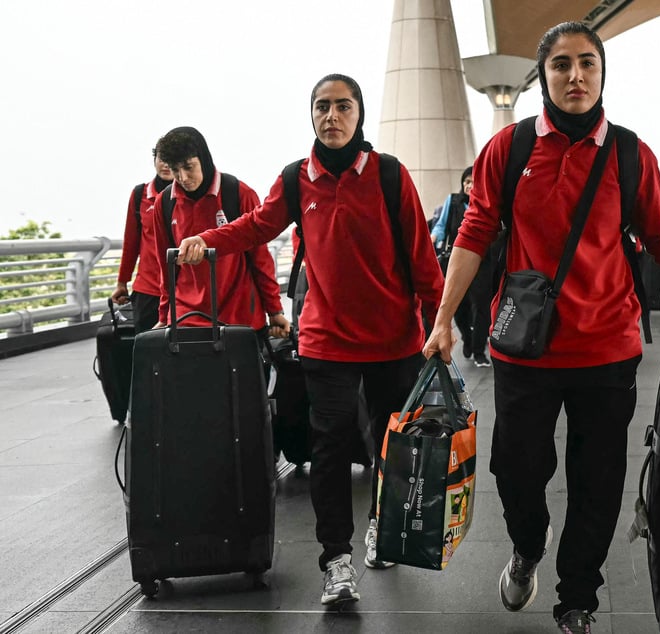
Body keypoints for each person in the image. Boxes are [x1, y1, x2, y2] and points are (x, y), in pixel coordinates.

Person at [423, 22, 660, 633]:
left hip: (607, 348)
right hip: (527, 348)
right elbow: (473, 232)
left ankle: (577, 595)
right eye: (561, 66)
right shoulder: (511, 148)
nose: (575, 76)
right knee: (515, 472)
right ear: (543, 76)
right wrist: (444, 320)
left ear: (602, 74)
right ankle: (528, 546)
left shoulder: (630, 153)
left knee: (597, 484)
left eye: (587, 64)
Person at [174, 74, 444, 606]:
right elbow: (256, 226)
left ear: (359, 114)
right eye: (322, 107)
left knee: (393, 446)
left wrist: (440, 325)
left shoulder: (389, 174)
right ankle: (336, 561)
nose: (332, 116)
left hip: (394, 340)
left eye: (343, 106)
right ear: (312, 116)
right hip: (326, 341)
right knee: (330, 450)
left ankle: (380, 530)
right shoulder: (298, 179)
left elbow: (421, 258)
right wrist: (208, 240)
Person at [151, 126, 290, 341]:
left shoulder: (238, 193)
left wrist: (274, 310)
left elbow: (260, 259)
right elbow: (165, 263)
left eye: (189, 167)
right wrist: (164, 315)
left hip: (239, 315)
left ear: (204, 159)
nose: (183, 177)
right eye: (175, 170)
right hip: (187, 317)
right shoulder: (165, 203)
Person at [430, 167, 492, 366]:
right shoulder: (454, 201)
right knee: (460, 307)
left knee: (481, 307)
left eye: (473, 182)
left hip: (483, 263)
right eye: (466, 181)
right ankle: (467, 336)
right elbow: (441, 225)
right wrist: (432, 239)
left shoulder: (487, 203)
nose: (468, 186)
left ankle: (479, 350)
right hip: (456, 262)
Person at [111, 144, 173, 333]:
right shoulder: (140, 195)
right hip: (148, 289)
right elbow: (131, 243)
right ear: (154, 160)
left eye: (171, 160)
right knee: (146, 351)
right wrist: (122, 282)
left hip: (184, 291)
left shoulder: (190, 196)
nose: (166, 165)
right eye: (161, 159)